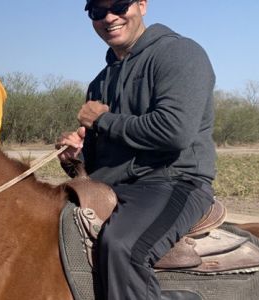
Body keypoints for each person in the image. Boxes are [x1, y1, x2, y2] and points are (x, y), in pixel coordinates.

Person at [56, 0, 216, 299]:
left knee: (123, 246)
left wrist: (103, 119)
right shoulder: (100, 82)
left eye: (118, 5)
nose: (110, 17)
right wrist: (74, 158)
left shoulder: (180, 53)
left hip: (172, 181)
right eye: (98, 12)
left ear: (141, 5)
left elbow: (174, 131)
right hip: (112, 187)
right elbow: (100, 159)